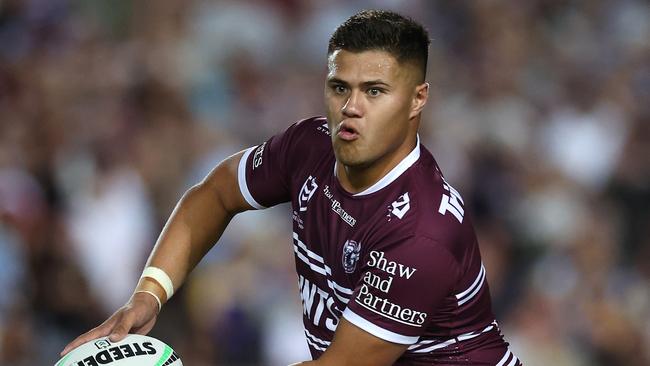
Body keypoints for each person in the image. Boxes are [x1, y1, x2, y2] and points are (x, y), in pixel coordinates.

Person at [62, 10, 521, 366]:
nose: (351, 108)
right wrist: (148, 296)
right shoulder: (309, 145)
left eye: (375, 91)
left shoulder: (423, 230)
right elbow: (214, 194)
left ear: (418, 98)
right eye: (339, 87)